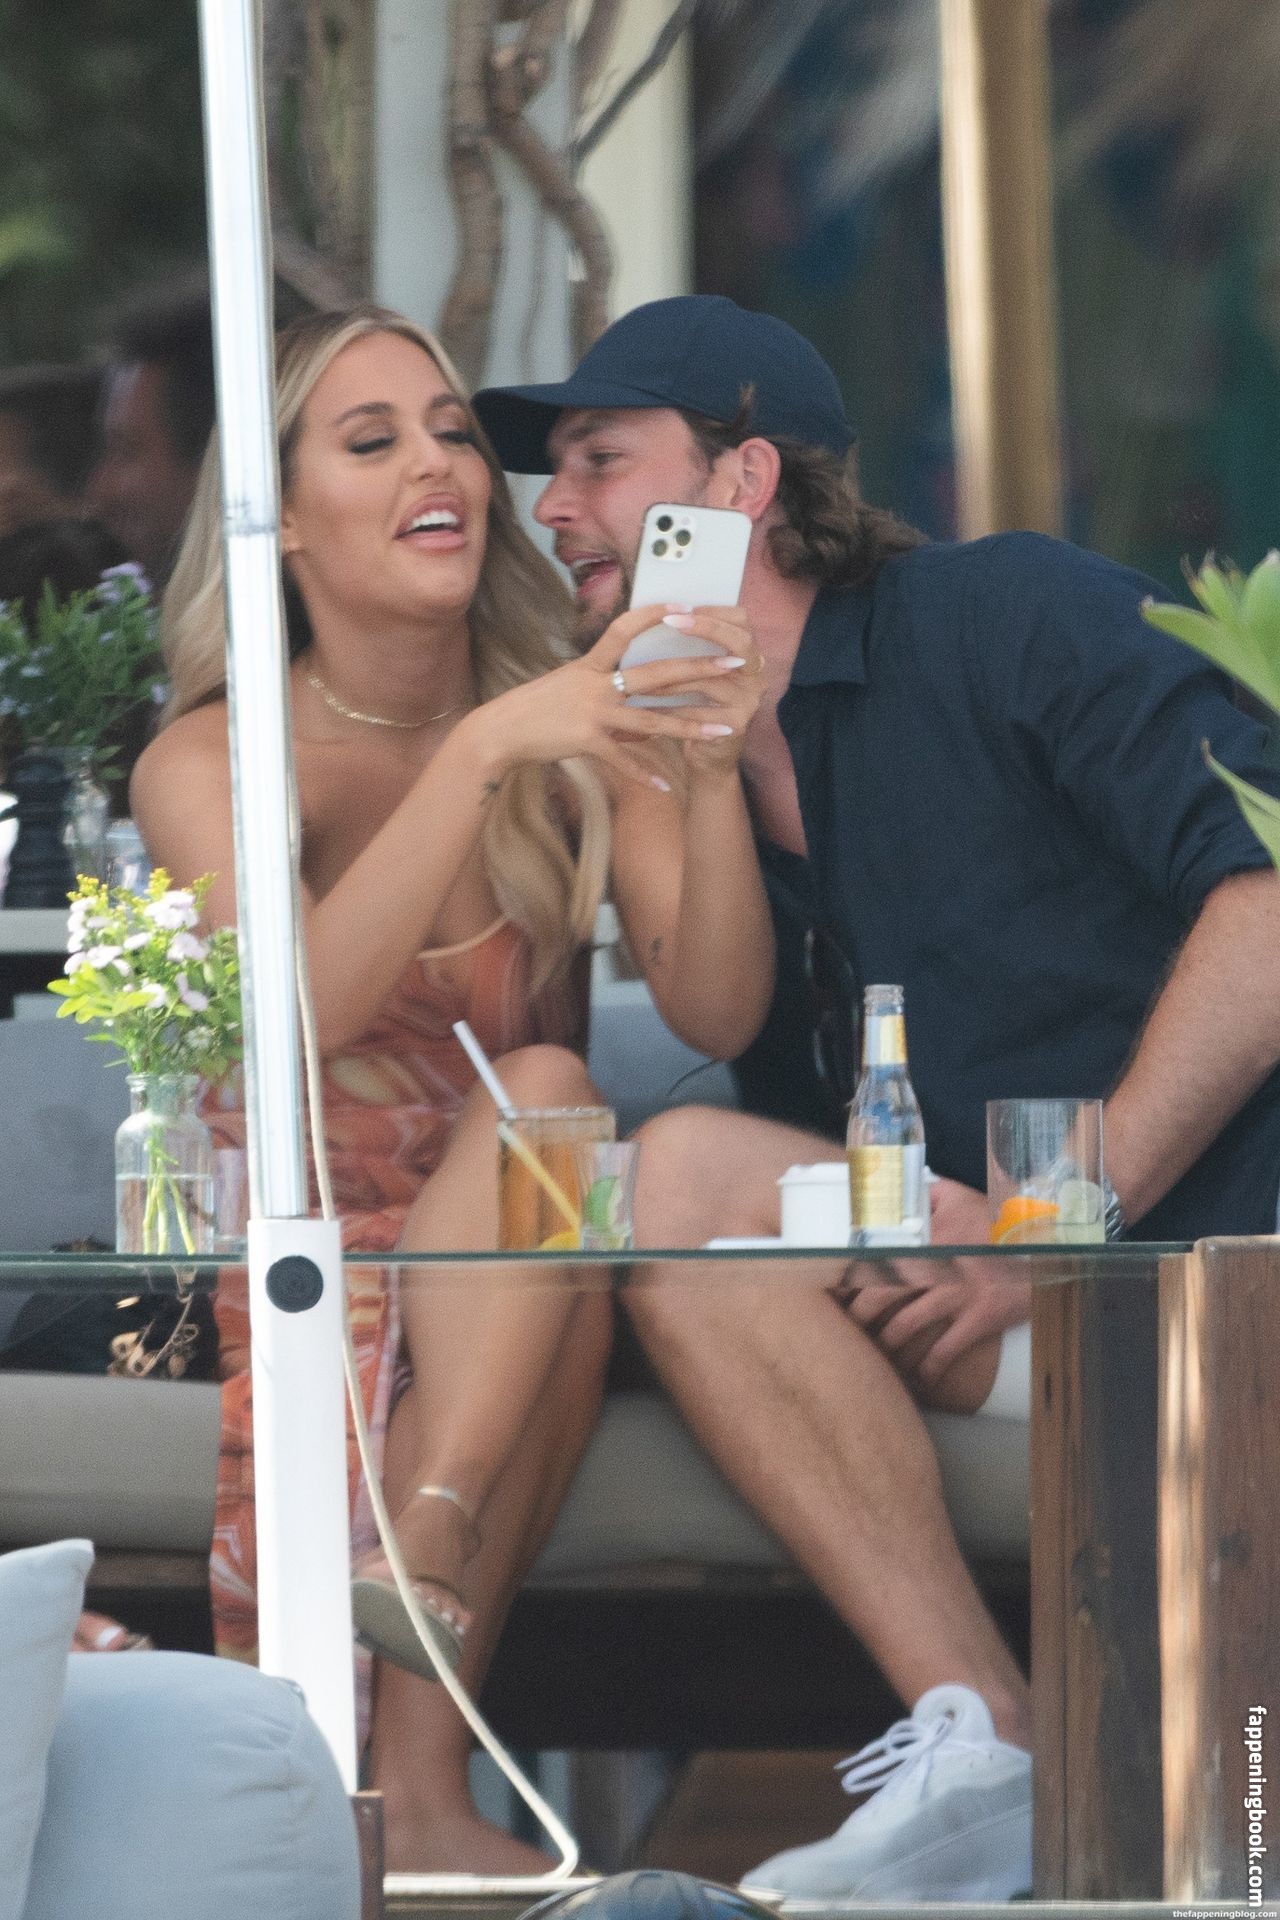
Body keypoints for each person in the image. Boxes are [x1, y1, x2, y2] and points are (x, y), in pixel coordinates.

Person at [472, 293, 1280, 1902]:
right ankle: (990, 1746)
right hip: (969, 1293)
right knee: (677, 1175)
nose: (553, 510)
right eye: (553, 473)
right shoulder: (672, 750)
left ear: (743, 478)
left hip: (1211, 1266)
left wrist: (1050, 1225)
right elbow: (718, 1023)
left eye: (600, 461)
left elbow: (1267, 897)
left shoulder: (1004, 614)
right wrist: (690, 762)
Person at [130, 303, 770, 1873]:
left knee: (552, 1121)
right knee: (556, 1148)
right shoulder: (210, 762)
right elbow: (287, 1032)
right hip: (308, 1238)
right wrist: (484, 749)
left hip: (513, 1233)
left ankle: (430, 1597)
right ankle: (421, 1767)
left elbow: (717, 1003)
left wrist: (703, 774)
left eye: (452, 434)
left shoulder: (573, 712)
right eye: (374, 441)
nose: (440, 465)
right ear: (281, 522)